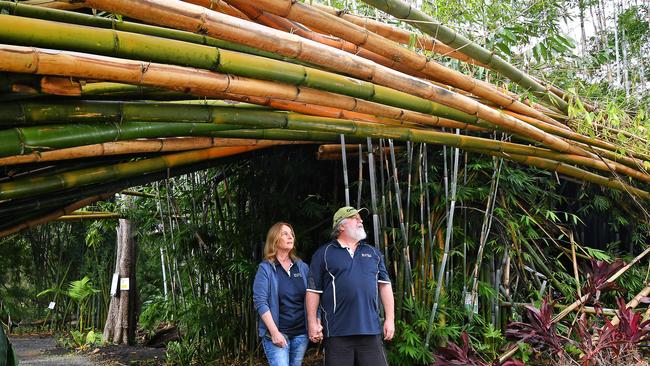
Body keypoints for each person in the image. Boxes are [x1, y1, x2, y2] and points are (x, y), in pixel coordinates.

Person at [306, 206, 395, 366]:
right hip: (337, 331)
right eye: (355, 218)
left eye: (360, 218)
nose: (360, 221)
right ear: (341, 225)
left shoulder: (373, 253)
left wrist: (390, 319)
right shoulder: (323, 253)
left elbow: (385, 286)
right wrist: (313, 322)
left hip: (370, 329)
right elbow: (313, 291)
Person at [253, 222, 310, 366]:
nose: (290, 237)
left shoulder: (302, 267)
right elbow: (260, 301)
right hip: (278, 332)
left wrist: (315, 322)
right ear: (274, 239)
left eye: (291, 234)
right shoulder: (266, 268)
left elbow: (313, 297)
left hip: (300, 333)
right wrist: (274, 332)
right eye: (285, 233)